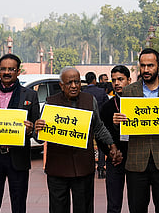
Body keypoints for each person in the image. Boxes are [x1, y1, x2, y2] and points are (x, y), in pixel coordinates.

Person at [34, 67, 122, 213]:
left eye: (77, 82)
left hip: (83, 167)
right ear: (61, 85)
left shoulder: (89, 100)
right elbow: (39, 137)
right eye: (69, 83)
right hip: (57, 169)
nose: (74, 86)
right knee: (58, 208)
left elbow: (98, 127)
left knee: (84, 207)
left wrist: (111, 145)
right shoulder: (51, 103)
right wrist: (37, 129)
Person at [113, 48, 159, 213]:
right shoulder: (128, 91)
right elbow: (124, 127)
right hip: (136, 161)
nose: (146, 70)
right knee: (137, 208)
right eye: (142, 66)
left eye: (150, 66)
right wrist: (117, 122)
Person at [0, 53, 39, 213]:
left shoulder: (30, 96)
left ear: (18, 71)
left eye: (11, 69)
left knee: (18, 205)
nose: (6, 72)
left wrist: (31, 129)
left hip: (17, 157)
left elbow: (37, 134)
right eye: (3, 69)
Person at [98, 65, 132, 213]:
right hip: (114, 159)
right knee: (113, 203)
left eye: (120, 79)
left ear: (129, 80)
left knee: (137, 202)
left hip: (135, 158)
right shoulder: (107, 106)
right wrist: (110, 152)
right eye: (113, 80)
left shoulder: (140, 104)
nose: (117, 83)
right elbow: (100, 133)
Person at [84, 71, 109, 179]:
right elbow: (106, 105)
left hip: (86, 123)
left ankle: (87, 168)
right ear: (94, 80)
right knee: (101, 147)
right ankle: (100, 168)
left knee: (87, 146)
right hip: (99, 123)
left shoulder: (83, 92)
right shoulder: (101, 92)